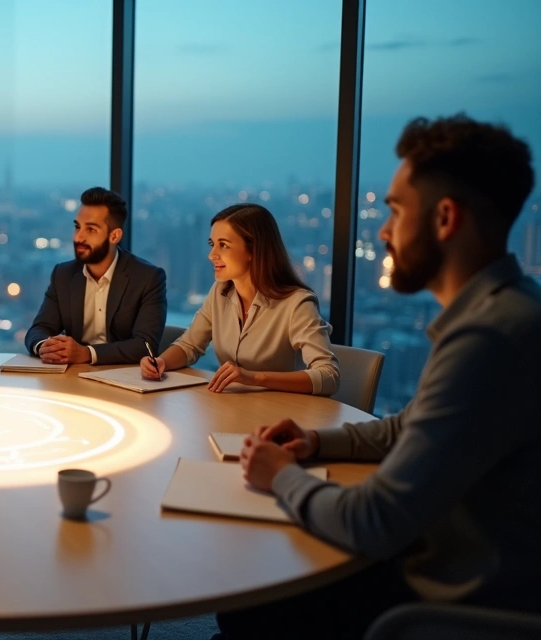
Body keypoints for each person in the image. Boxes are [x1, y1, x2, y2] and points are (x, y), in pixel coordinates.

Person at [222, 115, 539, 639]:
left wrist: (280, 475)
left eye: (394, 210)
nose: (384, 231)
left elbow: (375, 519)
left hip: (449, 597)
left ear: (445, 218)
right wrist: (312, 441)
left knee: (255, 590)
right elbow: (404, 430)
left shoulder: (489, 341)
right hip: (437, 557)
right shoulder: (501, 314)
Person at [142, 204, 340, 395]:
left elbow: (329, 376)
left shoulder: (297, 303)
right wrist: (162, 363)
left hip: (283, 415)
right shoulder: (220, 292)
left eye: (223, 246)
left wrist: (255, 378)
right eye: (212, 245)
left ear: (253, 250)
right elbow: (190, 345)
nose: (212, 255)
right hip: (231, 406)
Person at [25, 186, 167, 365]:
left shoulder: (148, 278)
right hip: (74, 378)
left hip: (124, 380)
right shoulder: (63, 274)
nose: (79, 237)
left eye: (91, 230)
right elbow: (39, 329)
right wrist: (46, 346)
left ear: (114, 236)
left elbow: (145, 346)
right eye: (78, 227)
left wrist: (86, 353)